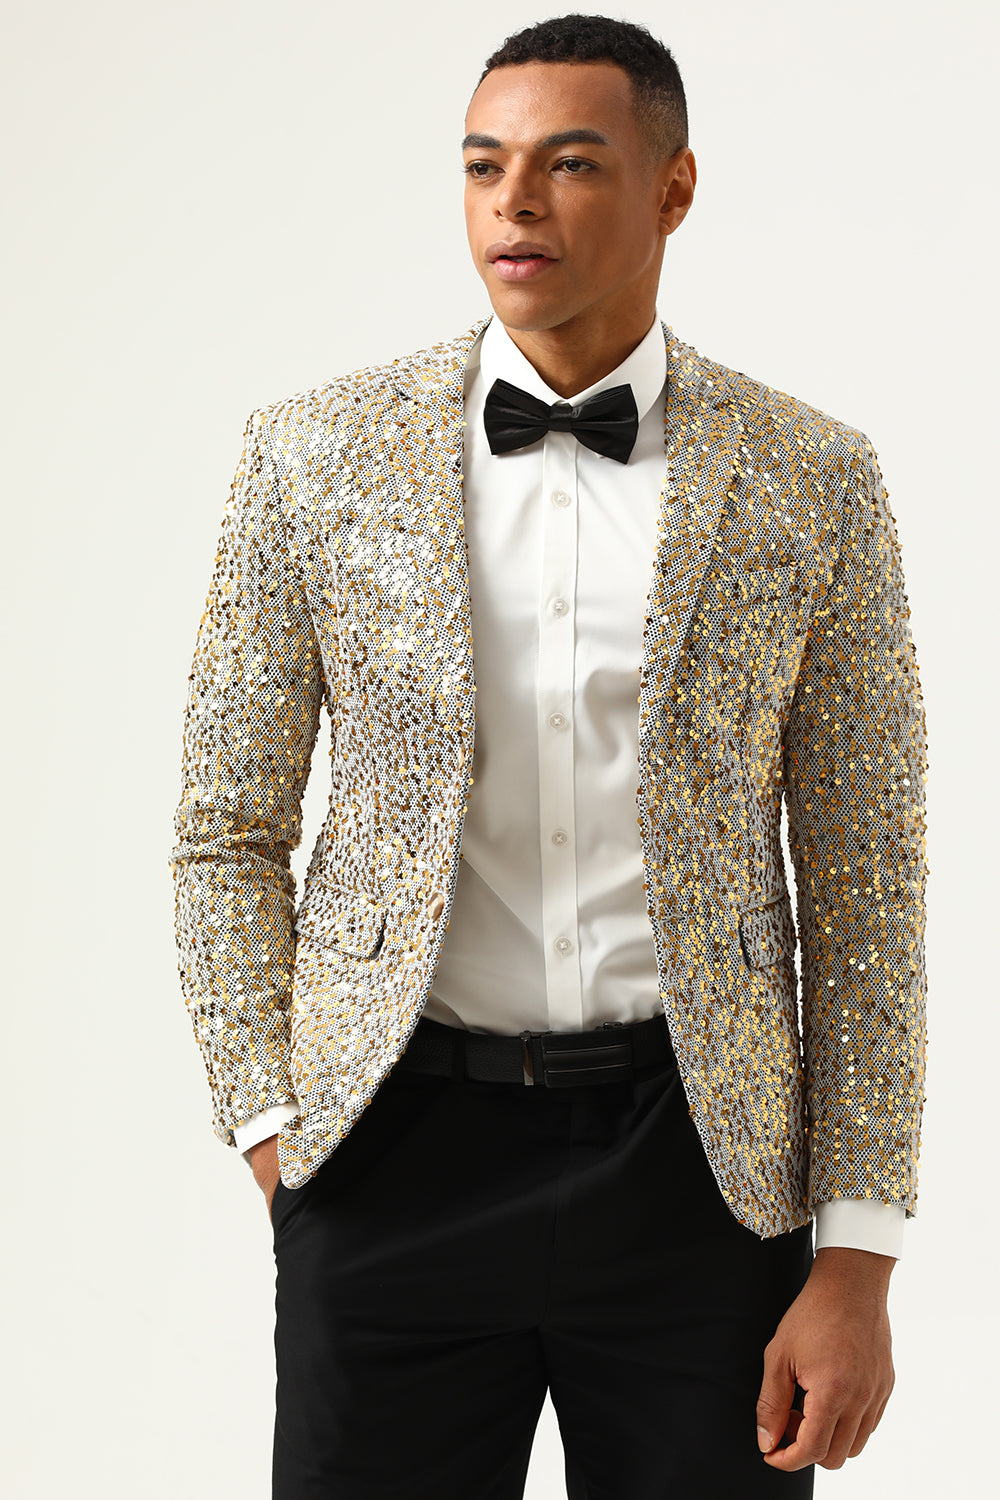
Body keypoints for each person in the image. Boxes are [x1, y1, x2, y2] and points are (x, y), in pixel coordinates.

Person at [168, 14, 928, 1498]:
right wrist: (278, 1134)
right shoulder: (311, 457)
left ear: (673, 188)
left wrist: (858, 1254)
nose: (515, 202)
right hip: (392, 1157)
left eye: (571, 164)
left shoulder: (815, 479)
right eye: (484, 166)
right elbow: (224, 827)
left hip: (700, 1170)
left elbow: (869, 884)